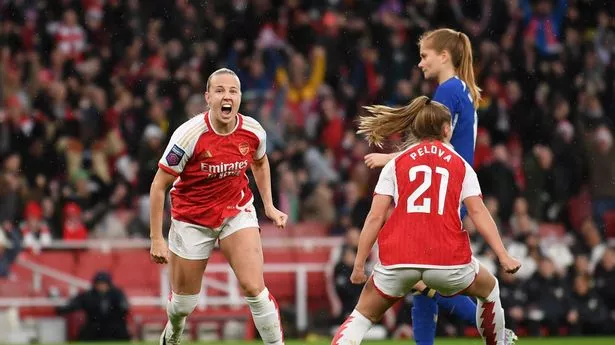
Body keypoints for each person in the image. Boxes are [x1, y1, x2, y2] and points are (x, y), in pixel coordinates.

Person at [331, 96, 521, 345]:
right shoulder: (461, 166)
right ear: (445, 129)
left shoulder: (395, 163)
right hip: (447, 258)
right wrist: (503, 255)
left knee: (362, 316)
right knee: (489, 289)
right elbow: (478, 213)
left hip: (399, 259)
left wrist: (358, 265)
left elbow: (375, 217)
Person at [362, 28, 507, 344]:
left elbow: (432, 150)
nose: (419, 64)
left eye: (424, 56)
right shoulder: (462, 90)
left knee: (422, 278)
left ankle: (497, 330)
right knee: (424, 281)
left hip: (440, 192)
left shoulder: (446, 93)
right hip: (451, 190)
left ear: (444, 56)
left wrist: (390, 159)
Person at [149, 68, 288, 345]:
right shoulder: (188, 135)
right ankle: (173, 332)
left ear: (239, 98)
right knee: (183, 305)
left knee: (254, 289)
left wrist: (269, 206)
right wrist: (156, 238)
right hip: (192, 219)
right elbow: (158, 185)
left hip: (236, 211)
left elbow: (260, 162)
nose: (227, 96)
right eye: (220, 90)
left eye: (233, 91)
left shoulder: (252, 131)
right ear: (208, 97)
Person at [55, 271, 131, 341]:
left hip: (114, 327)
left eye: (104, 283)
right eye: (99, 283)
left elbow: (124, 307)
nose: (101, 286)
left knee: (120, 331)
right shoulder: (89, 295)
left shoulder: (117, 294)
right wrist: (62, 309)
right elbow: (75, 304)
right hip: (95, 327)